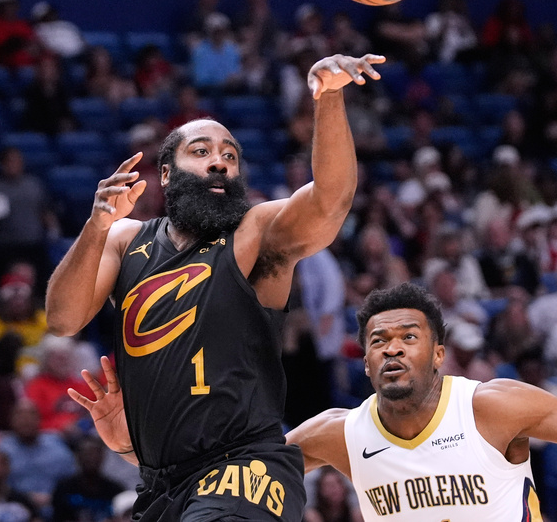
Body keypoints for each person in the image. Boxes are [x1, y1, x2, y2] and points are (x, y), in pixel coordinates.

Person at [46, 52, 383, 522]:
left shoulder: (254, 232)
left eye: (230, 156)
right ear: (166, 174)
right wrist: (97, 224)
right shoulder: (125, 241)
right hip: (161, 484)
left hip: (245, 470)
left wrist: (327, 98)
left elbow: (331, 201)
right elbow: (62, 319)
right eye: (201, 152)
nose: (220, 163)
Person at [76, 283, 557, 521]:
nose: (392, 349)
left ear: (438, 353)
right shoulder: (340, 432)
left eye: (408, 337)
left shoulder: (492, 407)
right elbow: (211, 481)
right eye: (378, 341)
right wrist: (134, 443)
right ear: (363, 361)